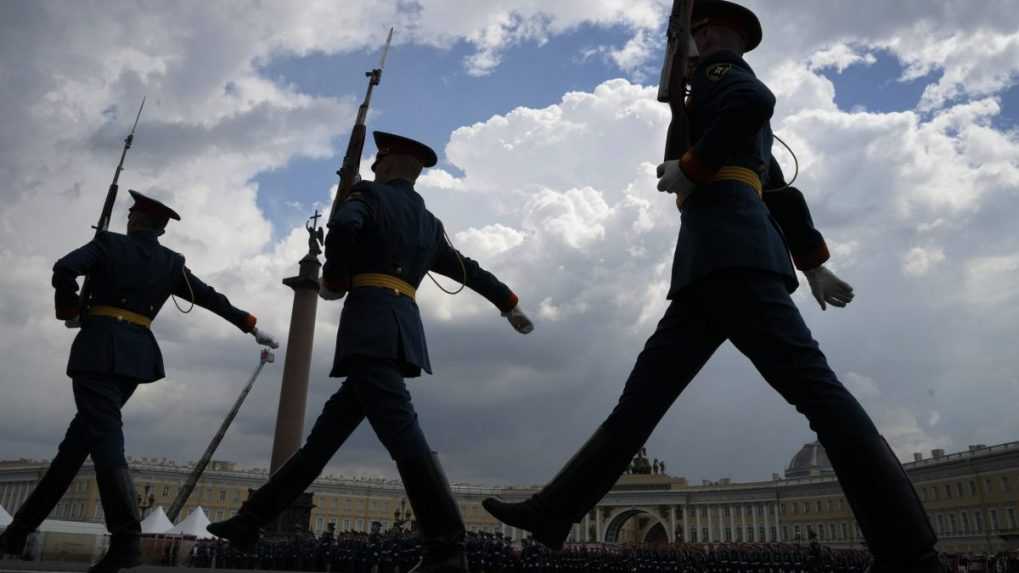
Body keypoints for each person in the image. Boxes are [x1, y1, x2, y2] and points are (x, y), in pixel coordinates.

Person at [482, 2, 941, 572]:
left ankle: (908, 550)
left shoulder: (720, 77)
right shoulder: (715, 107)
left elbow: (754, 104)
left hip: (731, 262)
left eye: (689, 38)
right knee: (640, 405)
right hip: (717, 266)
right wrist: (813, 263)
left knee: (819, 398)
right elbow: (783, 194)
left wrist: (692, 166)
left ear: (705, 36)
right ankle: (555, 511)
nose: (685, 49)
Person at [208, 131, 534, 573]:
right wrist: (508, 303)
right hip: (400, 329)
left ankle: (447, 545)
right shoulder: (428, 222)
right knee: (319, 445)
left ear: (382, 164)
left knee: (403, 434)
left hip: (368, 326)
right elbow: (466, 270)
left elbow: (344, 227)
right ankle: (251, 521)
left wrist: (334, 281)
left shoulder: (367, 195)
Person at [0, 191, 277, 573]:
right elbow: (210, 298)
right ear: (161, 229)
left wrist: (70, 307)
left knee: (105, 443)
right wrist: (250, 326)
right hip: (136, 358)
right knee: (74, 450)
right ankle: (17, 531)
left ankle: (126, 538)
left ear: (133, 219)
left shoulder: (107, 243)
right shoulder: (170, 262)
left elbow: (64, 268)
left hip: (98, 350)